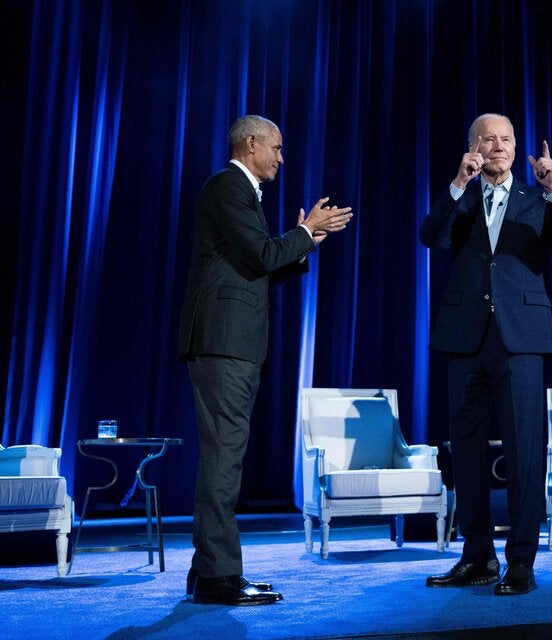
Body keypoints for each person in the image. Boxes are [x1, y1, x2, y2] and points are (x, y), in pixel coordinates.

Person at [178, 115, 353, 605]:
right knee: (224, 459)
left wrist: (304, 242)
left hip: (232, 344)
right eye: (276, 147)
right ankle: (219, 577)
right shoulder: (229, 187)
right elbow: (259, 255)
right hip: (223, 343)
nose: (281, 157)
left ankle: (205, 571)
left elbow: (253, 269)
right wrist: (303, 231)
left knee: (223, 456)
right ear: (250, 143)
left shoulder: (239, 192)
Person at [420, 113, 552, 595]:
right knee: (468, 452)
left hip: (522, 340)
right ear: (472, 147)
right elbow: (430, 236)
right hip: (465, 338)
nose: (499, 147)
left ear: (518, 149)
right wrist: (458, 183)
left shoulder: (537, 200)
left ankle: (521, 562)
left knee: (524, 452)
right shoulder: (463, 197)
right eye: (488, 140)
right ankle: (477, 556)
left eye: (507, 140)